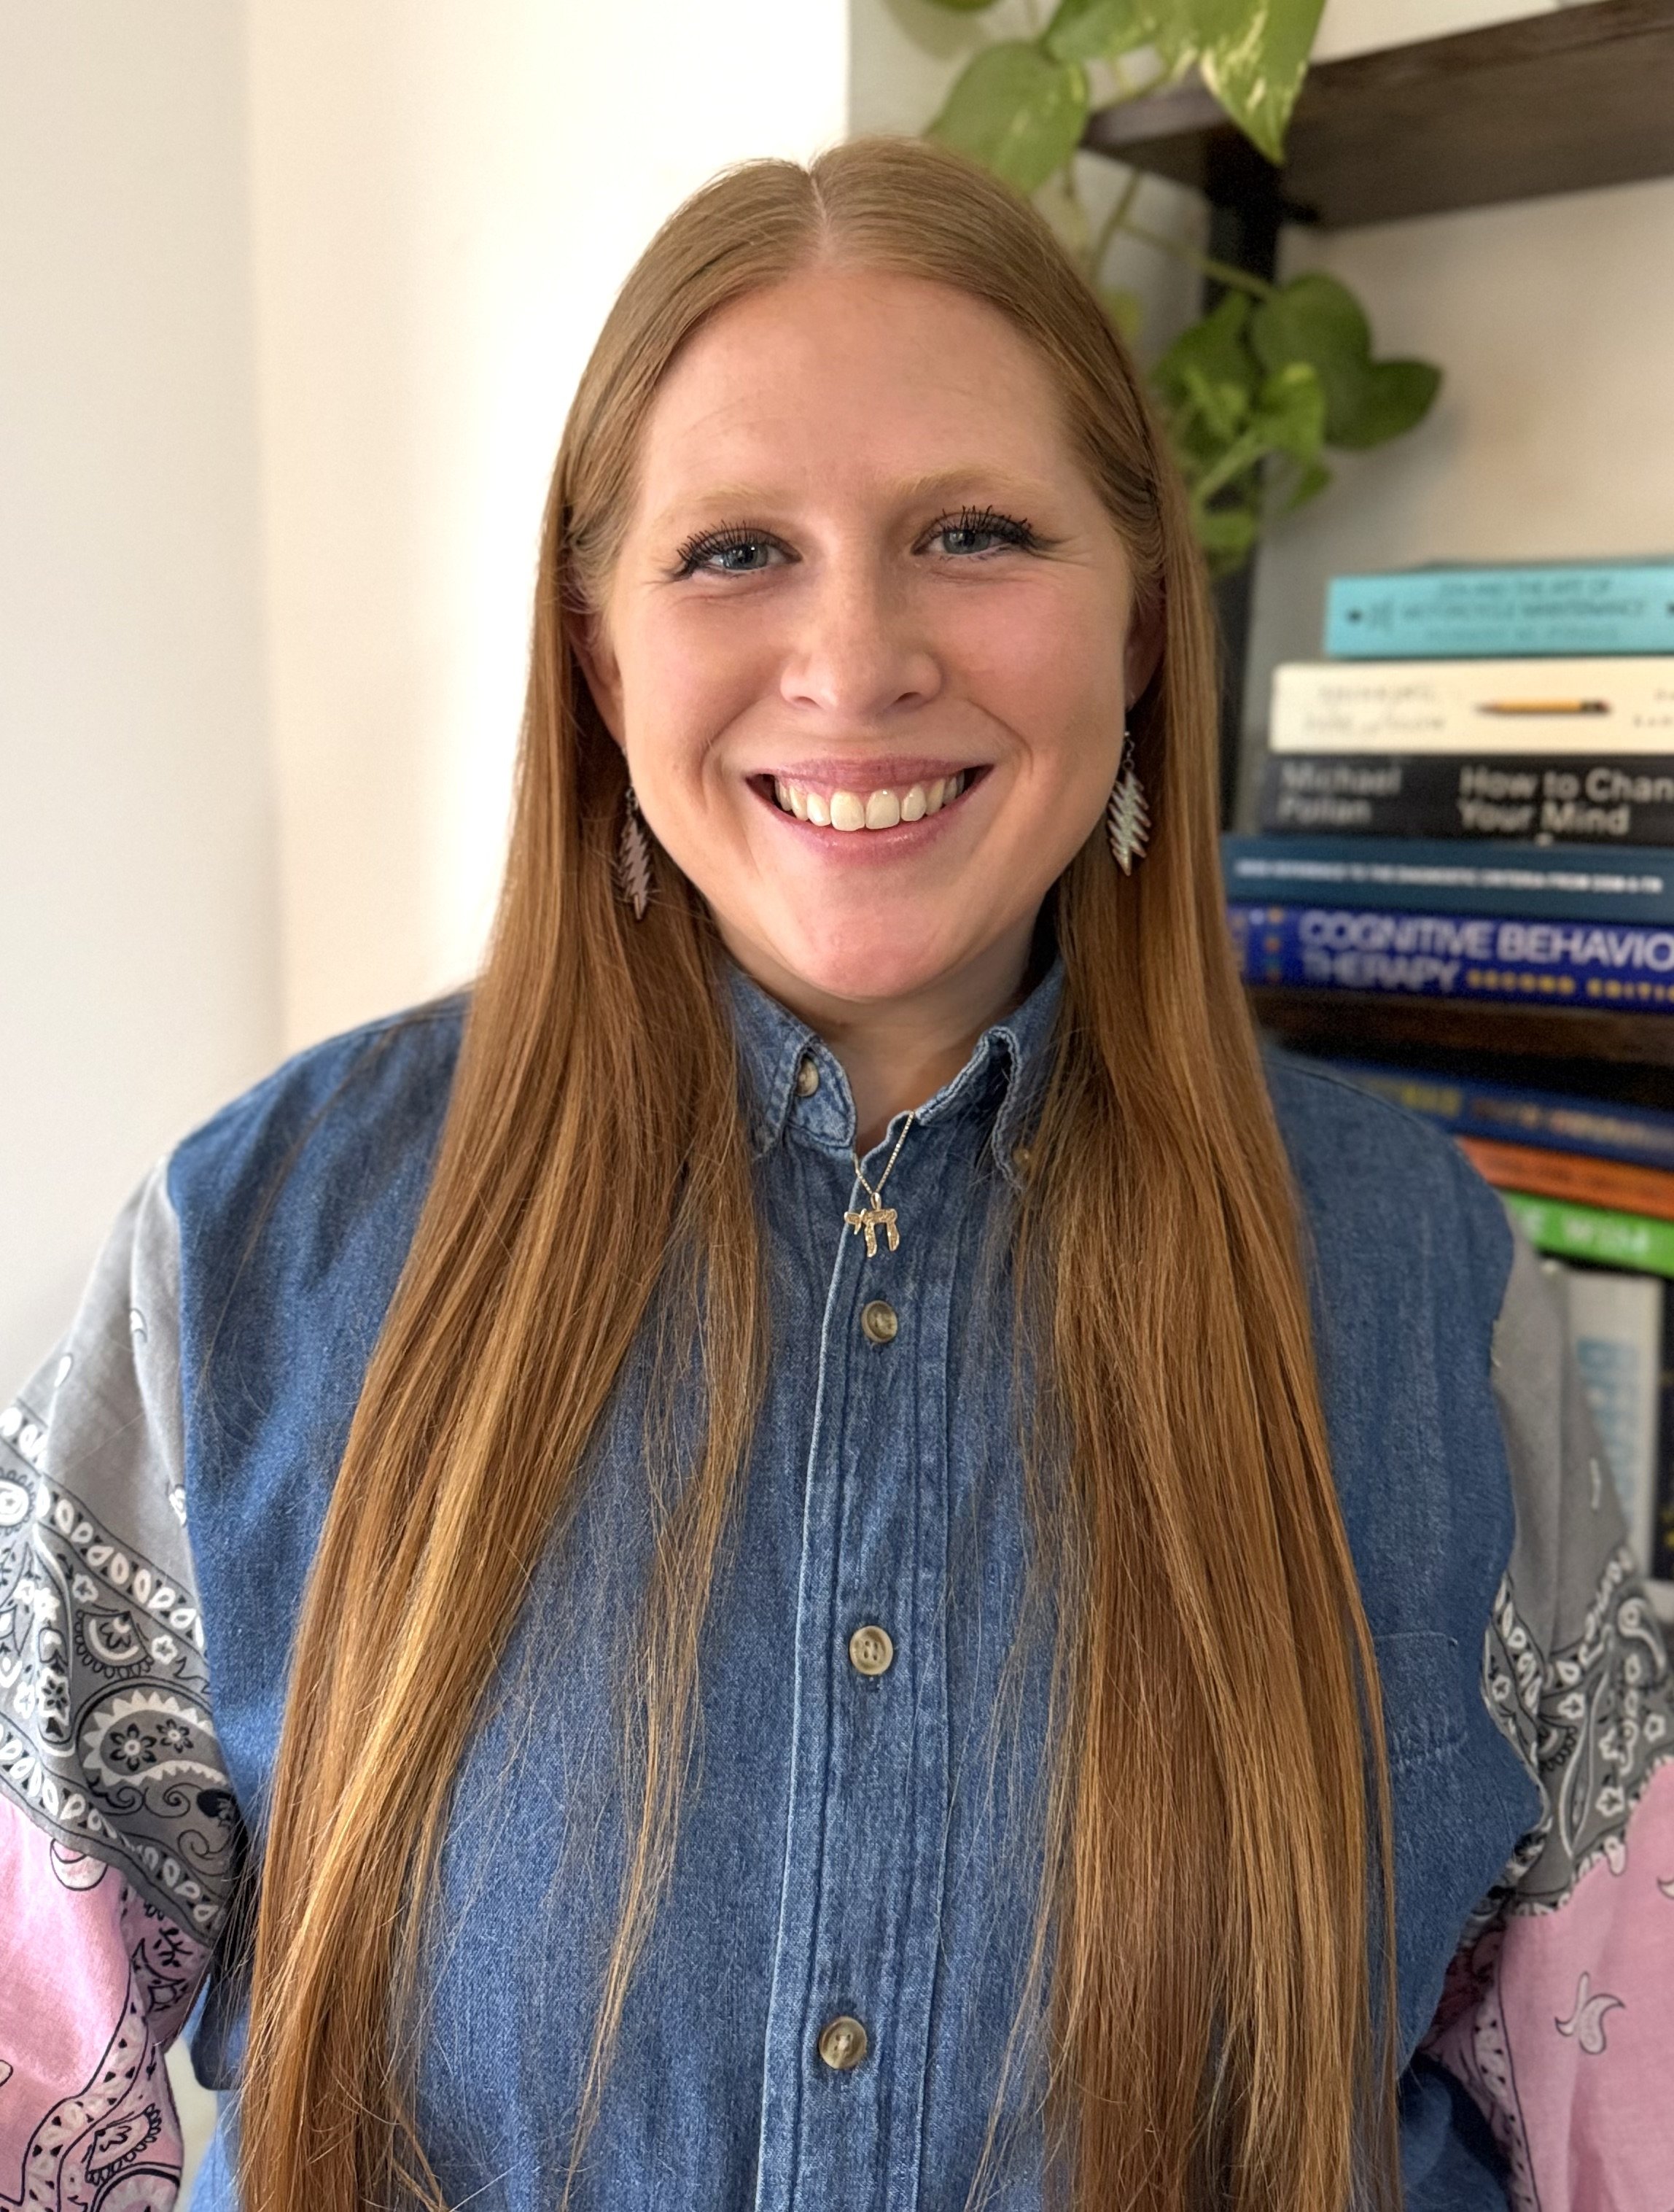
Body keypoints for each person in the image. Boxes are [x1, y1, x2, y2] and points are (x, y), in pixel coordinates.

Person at [0, 137, 1669, 2212]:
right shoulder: (239, 1259)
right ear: (601, 658)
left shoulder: (1427, 1285)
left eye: (974, 532)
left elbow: (1618, 2108)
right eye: (732, 555)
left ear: (1143, 619)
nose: (857, 657)